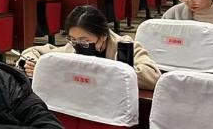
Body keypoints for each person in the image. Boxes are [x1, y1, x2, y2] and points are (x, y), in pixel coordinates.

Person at [20, 5, 161, 90]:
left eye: (85, 40)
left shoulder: (124, 46)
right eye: (72, 39)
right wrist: (32, 63)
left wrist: (107, 71)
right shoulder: (73, 46)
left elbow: (153, 77)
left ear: (103, 36)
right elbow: (33, 51)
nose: (78, 45)